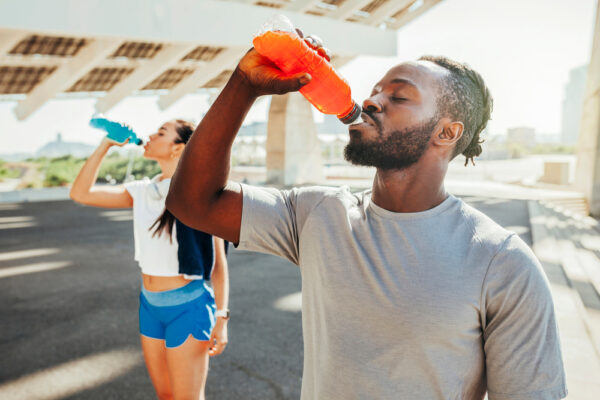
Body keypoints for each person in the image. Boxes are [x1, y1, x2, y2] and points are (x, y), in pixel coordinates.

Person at [166, 46, 567, 399]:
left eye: (399, 96)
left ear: (446, 132)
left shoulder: (502, 262)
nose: (373, 101)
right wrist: (244, 85)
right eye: (375, 90)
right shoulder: (317, 213)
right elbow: (193, 203)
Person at [70, 119, 229, 400]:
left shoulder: (199, 192)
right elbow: (80, 193)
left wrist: (221, 316)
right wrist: (106, 144)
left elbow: (218, 263)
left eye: (161, 133)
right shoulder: (141, 191)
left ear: (177, 149)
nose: (150, 136)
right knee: (165, 396)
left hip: (189, 306)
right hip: (150, 305)